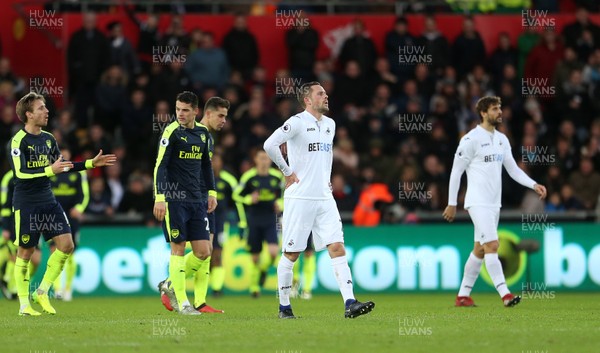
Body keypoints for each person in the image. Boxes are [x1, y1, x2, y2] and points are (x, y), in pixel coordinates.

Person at [263, 81, 375, 319]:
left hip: (325, 197)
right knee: (292, 253)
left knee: (337, 246)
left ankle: (350, 303)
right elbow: (269, 145)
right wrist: (287, 171)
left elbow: (323, 157)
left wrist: (324, 179)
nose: (326, 96)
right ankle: (284, 307)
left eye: (325, 93)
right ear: (307, 100)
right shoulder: (296, 122)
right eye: (320, 93)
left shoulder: (330, 125)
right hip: (300, 197)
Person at [9, 92, 116, 316]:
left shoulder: (49, 139)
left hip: (48, 201)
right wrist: (49, 170)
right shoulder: (18, 141)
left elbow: (63, 165)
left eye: (45, 107)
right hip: (27, 203)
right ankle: (23, 305)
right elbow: (20, 173)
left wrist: (89, 163)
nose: (46, 111)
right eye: (40, 108)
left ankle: (42, 291)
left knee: (67, 245)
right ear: (28, 114)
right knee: (26, 252)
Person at [442, 96, 547, 308]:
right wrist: (451, 203)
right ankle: (505, 294)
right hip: (477, 202)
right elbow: (456, 172)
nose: (499, 112)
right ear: (483, 113)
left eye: (500, 108)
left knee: (480, 249)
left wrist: (533, 184)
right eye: (494, 109)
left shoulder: (502, 139)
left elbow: (513, 170)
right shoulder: (470, 140)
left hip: (493, 204)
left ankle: (463, 296)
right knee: (492, 245)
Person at [158, 96, 228, 314]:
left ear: (195, 111)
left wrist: (212, 193)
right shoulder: (171, 132)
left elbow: (207, 167)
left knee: (204, 251)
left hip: (198, 200)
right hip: (175, 200)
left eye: (185, 110)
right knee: (178, 248)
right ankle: (184, 303)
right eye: (178, 109)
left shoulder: (203, 134)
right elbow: (160, 166)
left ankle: (169, 284)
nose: (180, 113)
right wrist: (160, 197)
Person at [233, 150, 283, 298]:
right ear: (255, 159)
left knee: (274, 252)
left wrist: (280, 204)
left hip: (270, 219)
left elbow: (285, 195)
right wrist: (248, 198)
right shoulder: (249, 177)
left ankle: (263, 270)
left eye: (267, 158)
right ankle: (254, 288)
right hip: (254, 219)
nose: (264, 161)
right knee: (255, 256)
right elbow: (236, 195)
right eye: (261, 158)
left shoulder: (277, 177)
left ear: (270, 160)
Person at [49, 146, 90, 301]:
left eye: (65, 153)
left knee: (70, 251)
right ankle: (57, 289)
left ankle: (68, 289)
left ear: (70, 154)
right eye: (60, 154)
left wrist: (79, 208)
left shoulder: (77, 172)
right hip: (54, 216)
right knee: (55, 251)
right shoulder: (51, 171)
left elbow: (84, 193)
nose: (63, 156)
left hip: (71, 216)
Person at [209, 153, 246, 297]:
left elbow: (238, 202)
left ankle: (216, 288)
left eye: (216, 160)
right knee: (204, 254)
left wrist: (242, 223)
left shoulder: (228, 180)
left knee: (217, 253)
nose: (213, 163)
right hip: (202, 220)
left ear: (221, 163)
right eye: (211, 160)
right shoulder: (201, 177)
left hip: (220, 223)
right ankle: (206, 286)